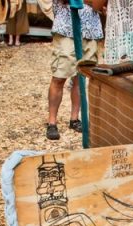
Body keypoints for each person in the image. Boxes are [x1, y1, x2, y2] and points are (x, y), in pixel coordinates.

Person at [46, 0, 106, 140]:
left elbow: (98, 5)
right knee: (59, 77)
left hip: (90, 29)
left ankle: (74, 119)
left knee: (81, 77)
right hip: (66, 27)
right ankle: (52, 122)